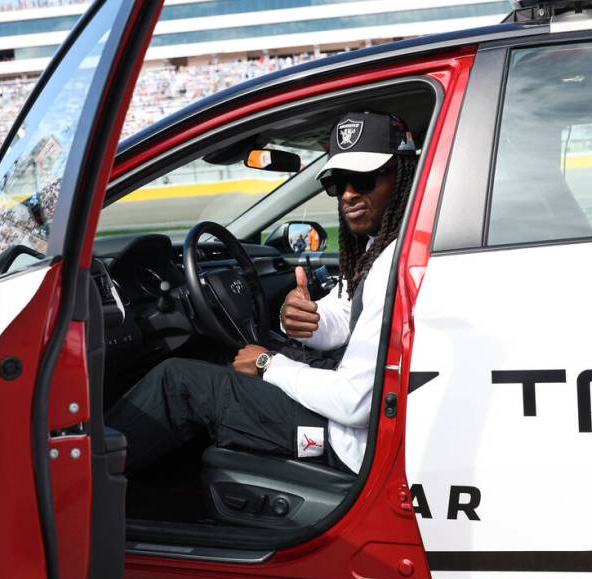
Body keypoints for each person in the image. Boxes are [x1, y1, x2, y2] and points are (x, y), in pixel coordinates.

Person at [106, 111, 418, 475]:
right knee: (223, 358)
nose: (349, 194)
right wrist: (303, 319)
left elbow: (354, 403)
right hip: (357, 421)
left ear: (404, 175)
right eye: (338, 182)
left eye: (363, 179)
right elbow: (343, 319)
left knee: (176, 381)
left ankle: (75, 487)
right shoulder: (380, 248)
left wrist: (268, 364)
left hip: (348, 440)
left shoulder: (395, 265)